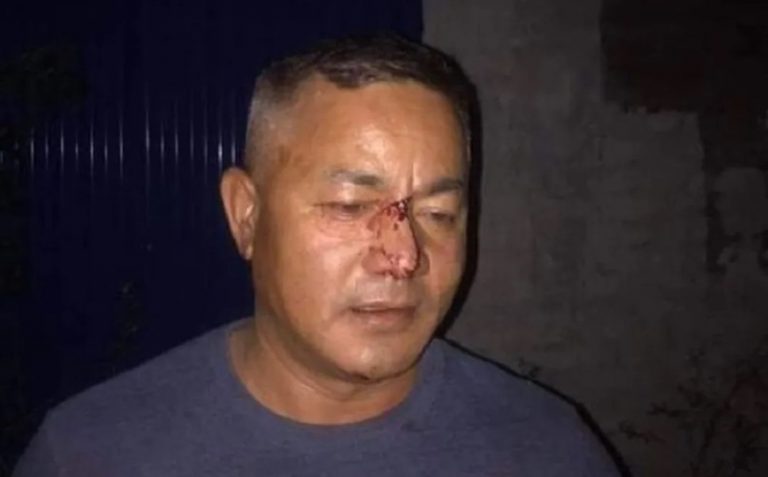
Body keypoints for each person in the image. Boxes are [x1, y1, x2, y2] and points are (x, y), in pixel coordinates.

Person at [14, 35, 620, 476]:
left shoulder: (548, 451)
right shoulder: (93, 454)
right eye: (350, 206)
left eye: (438, 214)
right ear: (246, 216)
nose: (403, 257)